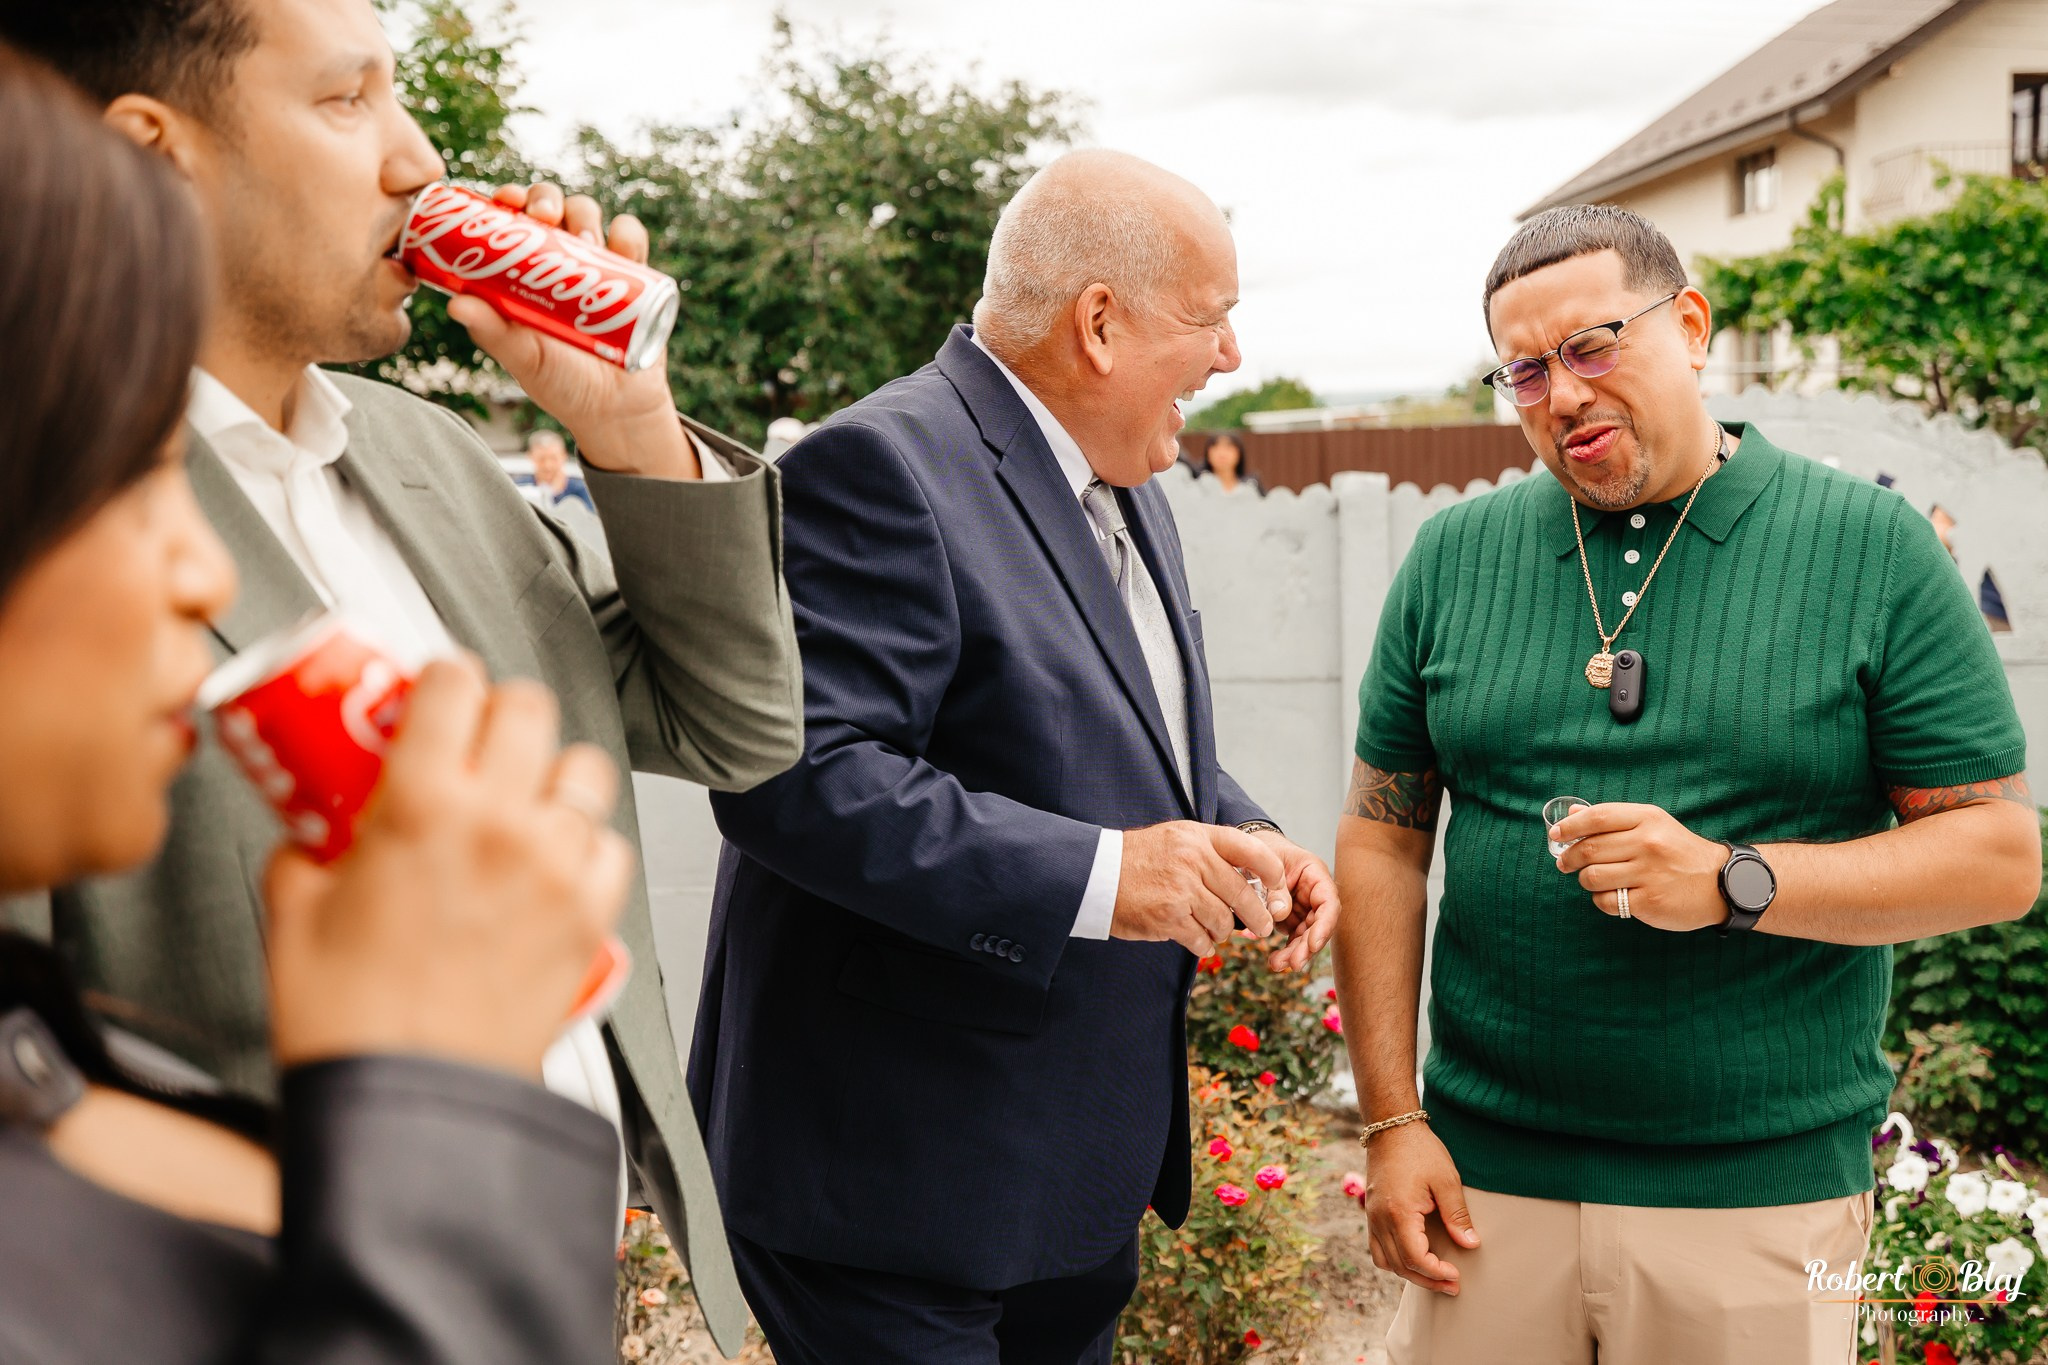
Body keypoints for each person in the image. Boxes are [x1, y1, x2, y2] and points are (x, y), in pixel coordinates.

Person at [0, 2, 802, 1348]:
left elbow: (735, 726)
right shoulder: (53, 535)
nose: (421, 159)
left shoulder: (432, 455)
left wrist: (627, 425)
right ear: (152, 152)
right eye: (345, 100)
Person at [1331, 203, 2039, 1364]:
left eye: (1591, 344)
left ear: (1692, 326)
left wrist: (1731, 880)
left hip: (1758, 1204)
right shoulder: (1451, 560)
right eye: (1522, 370)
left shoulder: (1871, 548)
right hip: (1481, 1190)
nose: (1560, 393)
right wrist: (1391, 1121)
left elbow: (1997, 860)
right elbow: (1381, 840)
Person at [694, 149, 1342, 1365]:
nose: (1230, 359)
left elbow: (1117, 735)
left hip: (1067, 1167)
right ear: (1098, 324)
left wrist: (1241, 837)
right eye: (1212, 320)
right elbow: (793, 780)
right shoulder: (876, 467)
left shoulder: (1128, 478)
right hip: (894, 1183)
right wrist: (1108, 876)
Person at [518, 428, 596, 512]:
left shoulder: (581, 489)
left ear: (564, 456)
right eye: (541, 459)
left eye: (553, 458)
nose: (548, 465)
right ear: (531, 456)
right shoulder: (520, 487)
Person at [1201, 431, 1262, 495]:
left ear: (1239, 453)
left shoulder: (1251, 486)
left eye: (1228, 448)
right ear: (1207, 454)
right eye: (1216, 448)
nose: (1222, 453)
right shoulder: (1199, 486)